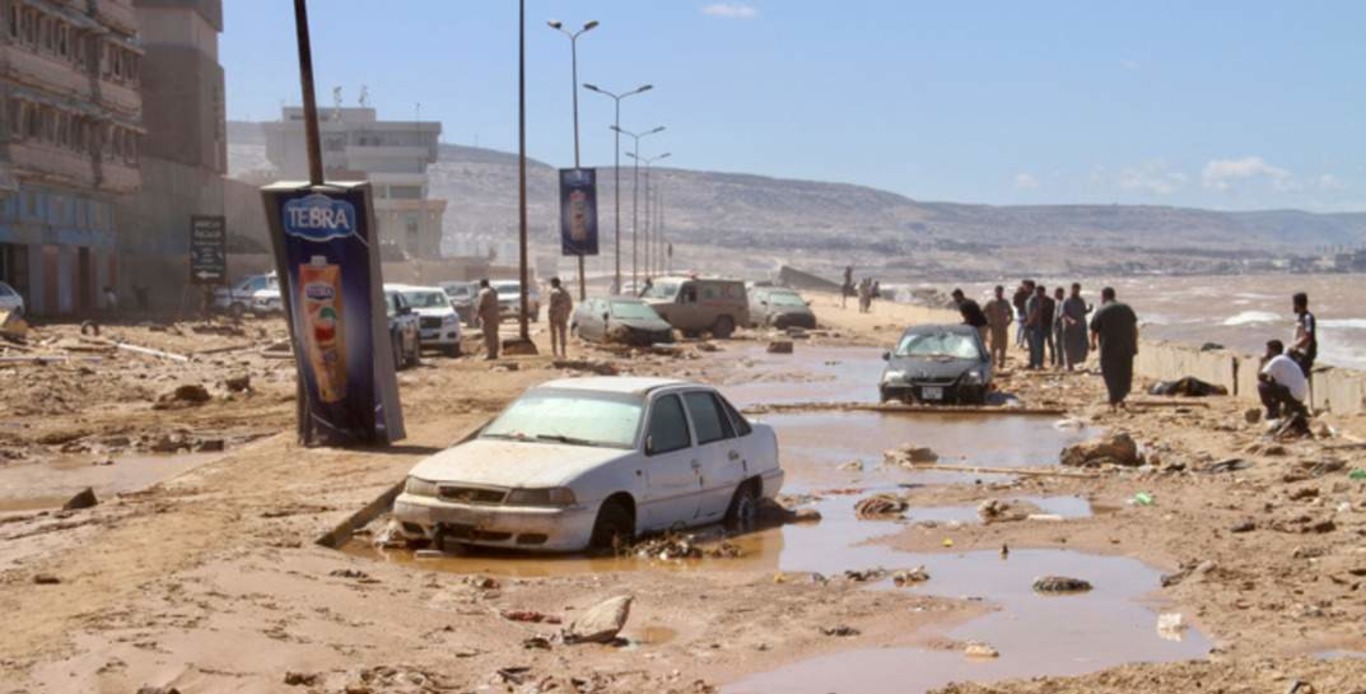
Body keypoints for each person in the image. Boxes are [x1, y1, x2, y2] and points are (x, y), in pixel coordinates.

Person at [1089, 286, 1139, 410]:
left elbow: (1094, 330)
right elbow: (1134, 328)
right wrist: (1134, 344)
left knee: (1110, 373)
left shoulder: (1101, 310)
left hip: (1109, 348)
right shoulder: (1126, 308)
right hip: (1127, 347)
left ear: (1103, 297)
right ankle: (1121, 396)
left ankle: (1114, 398)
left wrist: (1092, 343)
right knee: (1124, 372)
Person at [1258, 339, 1309, 420]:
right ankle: (1288, 409)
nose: (1266, 353)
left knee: (1262, 386)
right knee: (1273, 382)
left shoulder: (1277, 359)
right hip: (1299, 396)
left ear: (1272, 351)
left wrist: (1261, 363)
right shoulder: (1285, 359)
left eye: (1268, 350)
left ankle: (1273, 411)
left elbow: (1261, 377)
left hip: (1293, 395)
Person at [1060, 282, 1090, 371]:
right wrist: (1070, 320)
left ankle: (1075, 362)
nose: (1076, 291)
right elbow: (1063, 314)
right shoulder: (1067, 301)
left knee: (1082, 346)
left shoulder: (1081, 300)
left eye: (1078, 290)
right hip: (1070, 329)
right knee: (1069, 346)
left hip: (1080, 327)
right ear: (1072, 289)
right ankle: (1070, 365)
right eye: (1075, 289)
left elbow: (1083, 312)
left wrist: (1089, 310)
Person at [983, 285, 1013, 369]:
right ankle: (993, 363)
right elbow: (983, 312)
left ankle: (1001, 363)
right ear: (995, 292)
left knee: (1003, 345)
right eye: (997, 291)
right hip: (994, 327)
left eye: (1000, 291)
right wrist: (988, 321)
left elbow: (1011, 312)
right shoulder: (991, 302)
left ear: (1002, 292)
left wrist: (1009, 321)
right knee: (993, 346)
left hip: (1003, 327)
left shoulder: (1005, 302)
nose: (998, 293)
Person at [1291, 292, 1317, 378]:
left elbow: (1308, 336)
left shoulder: (1307, 317)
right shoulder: (1300, 317)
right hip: (1299, 352)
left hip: (1305, 354)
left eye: (1294, 303)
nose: (1293, 306)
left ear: (1297, 304)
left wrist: (1295, 347)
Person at [547, 277, 572, 358]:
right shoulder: (566, 293)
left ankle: (554, 352)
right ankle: (563, 352)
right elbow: (570, 306)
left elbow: (552, 305)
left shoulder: (554, 292)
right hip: (563, 316)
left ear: (553, 283)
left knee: (554, 334)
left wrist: (550, 314)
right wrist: (567, 314)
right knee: (562, 334)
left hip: (554, 316)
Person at [476, 279, 500, 360]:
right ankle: (495, 353)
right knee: (494, 334)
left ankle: (490, 354)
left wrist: (477, 315)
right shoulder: (493, 291)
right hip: (495, 316)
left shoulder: (483, 292)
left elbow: (481, 305)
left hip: (487, 317)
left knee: (488, 335)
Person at [1012, 280, 1034, 348]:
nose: (1027, 288)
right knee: (1022, 326)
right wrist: (1021, 307)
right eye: (1026, 286)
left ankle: (1022, 342)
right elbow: (1015, 303)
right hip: (1021, 312)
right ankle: (1019, 342)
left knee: (1025, 328)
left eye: (1028, 287)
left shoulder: (1033, 294)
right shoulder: (1019, 293)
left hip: (1029, 312)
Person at [1051, 286, 1067, 368]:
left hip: (1059, 326)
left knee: (1059, 344)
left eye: (1057, 293)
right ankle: (1060, 361)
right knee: (1057, 344)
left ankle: (1061, 362)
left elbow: (1061, 315)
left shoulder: (1062, 302)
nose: (1055, 294)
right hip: (1056, 325)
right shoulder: (1057, 302)